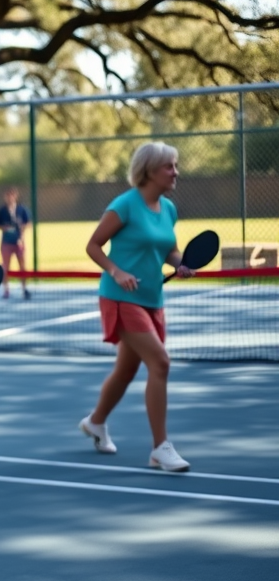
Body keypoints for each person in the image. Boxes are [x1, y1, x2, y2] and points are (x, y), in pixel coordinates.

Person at [80, 141, 193, 472]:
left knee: (127, 369)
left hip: (152, 298)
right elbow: (93, 245)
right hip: (119, 297)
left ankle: (96, 422)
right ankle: (161, 448)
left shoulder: (168, 209)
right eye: (169, 166)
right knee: (161, 363)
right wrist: (116, 271)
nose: (176, 172)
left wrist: (180, 263)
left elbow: (170, 250)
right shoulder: (125, 205)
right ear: (149, 171)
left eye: (175, 165)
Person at [0, 186, 31, 299]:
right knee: (5, 266)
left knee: (22, 266)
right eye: (8, 195)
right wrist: (4, 228)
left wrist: (21, 232)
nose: (10, 197)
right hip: (6, 242)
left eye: (12, 195)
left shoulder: (22, 209)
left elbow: (28, 223)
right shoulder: (2, 210)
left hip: (18, 242)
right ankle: (6, 290)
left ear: (15, 196)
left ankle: (24, 288)